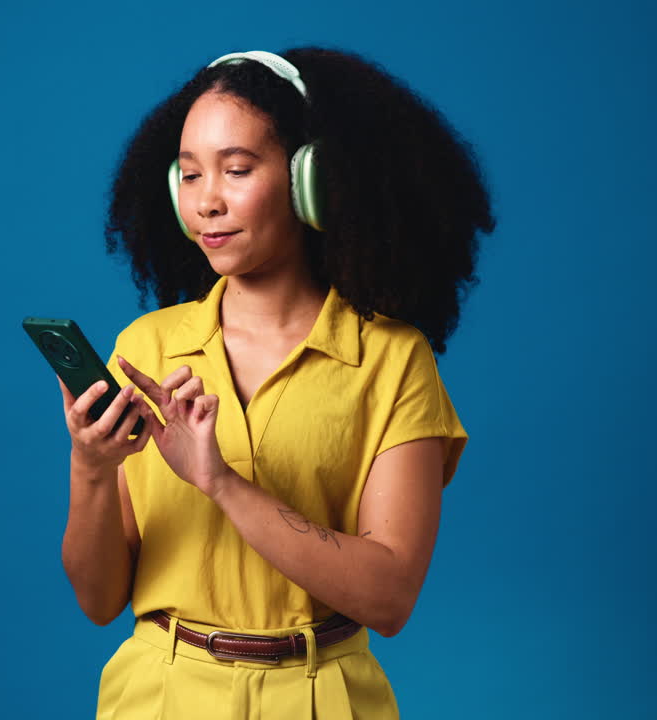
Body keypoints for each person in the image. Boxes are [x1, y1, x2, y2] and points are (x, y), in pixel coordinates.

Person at [56, 47, 495, 719]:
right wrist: (91, 464)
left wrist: (222, 484)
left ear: (309, 179)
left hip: (322, 697)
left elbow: (389, 596)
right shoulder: (146, 349)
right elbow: (97, 601)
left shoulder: (390, 360)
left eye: (237, 170)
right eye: (191, 174)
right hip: (159, 694)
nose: (208, 201)